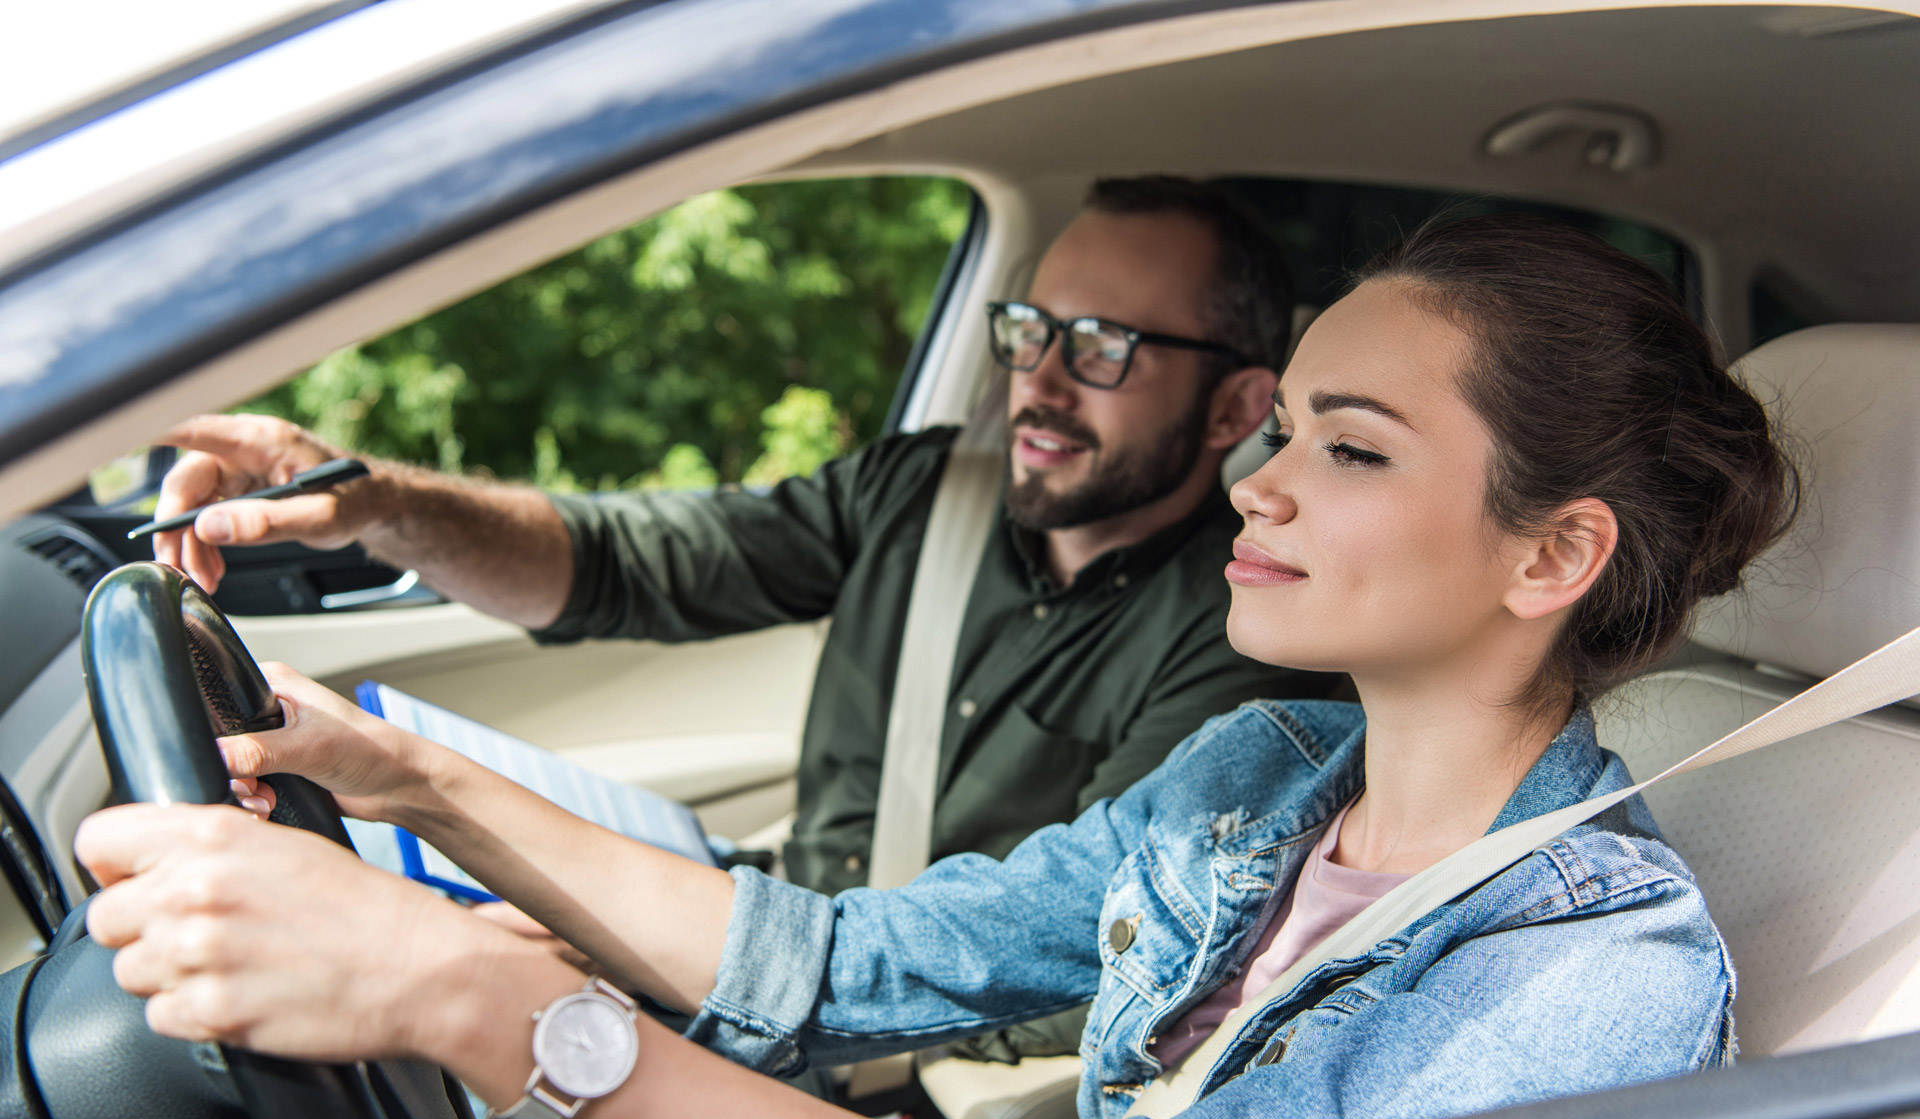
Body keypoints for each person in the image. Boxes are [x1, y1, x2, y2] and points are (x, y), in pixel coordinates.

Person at [79, 215, 1798, 1119]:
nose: (1259, 487)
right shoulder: (1258, 785)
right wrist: (410, 780)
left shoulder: (1587, 986)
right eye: (1288, 435)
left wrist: (472, 1000)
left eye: (1348, 448)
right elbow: (836, 961)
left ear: (1554, 553)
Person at [151, 175, 1335, 918]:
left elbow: (1078, 949)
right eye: (1029, 332)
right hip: (771, 911)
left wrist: (664, 967)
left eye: (1103, 346)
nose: (1037, 383)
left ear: (1236, 410)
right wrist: (378, 504)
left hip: (892, 1027)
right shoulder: (920, 492)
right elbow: (626, 562)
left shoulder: (1245, 634)